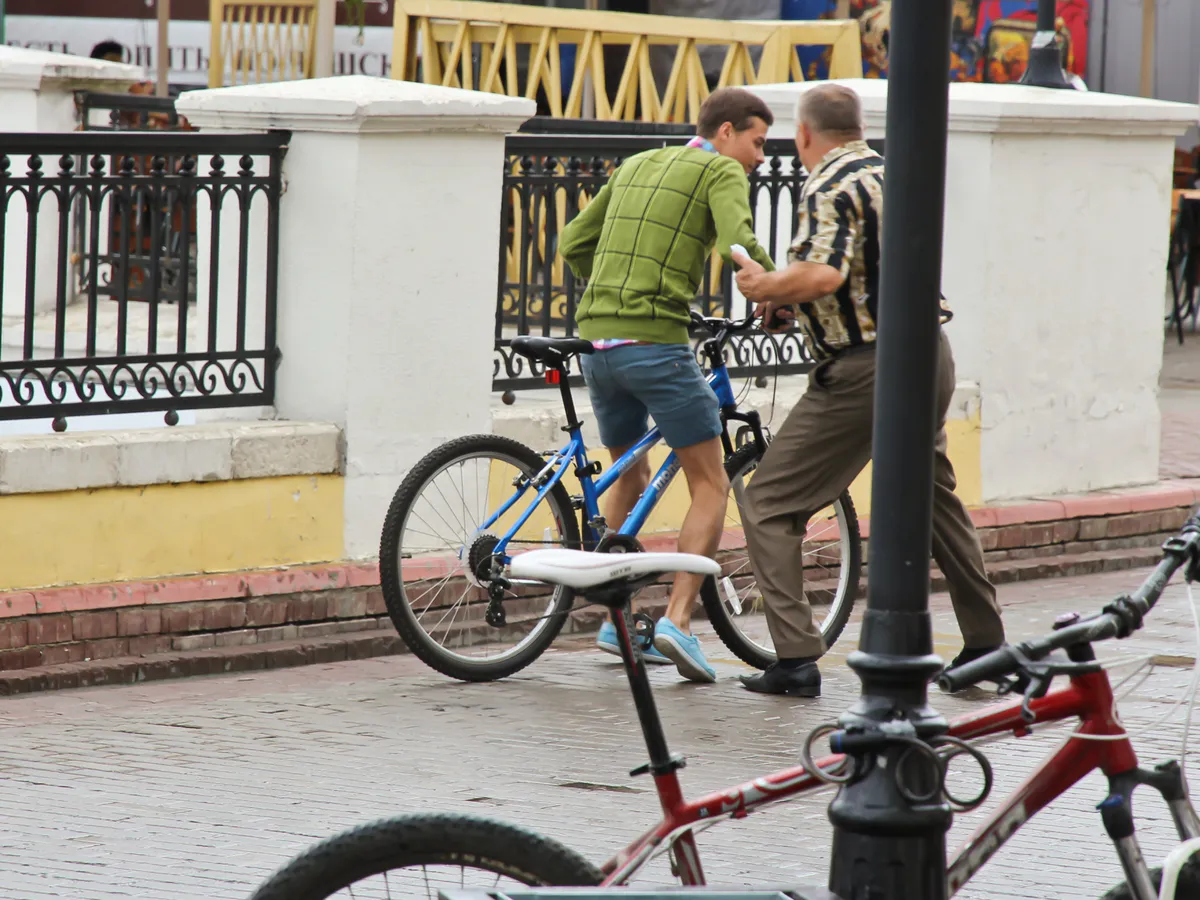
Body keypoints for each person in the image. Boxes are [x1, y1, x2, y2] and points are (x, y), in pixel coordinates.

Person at [731, 83, 1009, 698]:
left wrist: (766, 287)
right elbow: (863, 276)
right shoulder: (892, 174)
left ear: (804, 134)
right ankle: (987, 644)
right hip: (929, 354)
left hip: (866, 370)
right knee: (931, 499)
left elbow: (822, 272)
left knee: (769, 501)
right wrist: (798, 306)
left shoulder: (828, 183)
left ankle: (794, 658)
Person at [559, 87, 775, 684]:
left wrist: (615, 292)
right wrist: (776, 289)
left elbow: (573, 242)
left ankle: (616, 621)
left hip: (597, 343)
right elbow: (738, 243)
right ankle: (678, 621)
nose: (760, 158)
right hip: (654, 343)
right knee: (710, 482)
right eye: (757, 143)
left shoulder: (637, 163)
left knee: (629, 473)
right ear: (726, 132)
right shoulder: (720, 171)